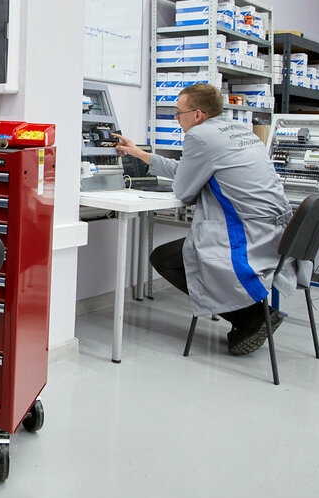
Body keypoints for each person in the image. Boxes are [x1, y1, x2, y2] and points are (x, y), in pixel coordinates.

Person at [114, 82, 299, 356]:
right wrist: (141, 155)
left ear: (198, 115)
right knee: (178, 254)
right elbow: (191, 170)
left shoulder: (198, 136)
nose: (177, 119)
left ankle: (252, 316)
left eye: (179, 113)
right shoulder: (239, 131)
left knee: (163, 259)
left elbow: (183, 191)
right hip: (275, 235)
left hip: (245, 237)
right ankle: (251, 314)